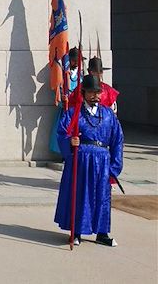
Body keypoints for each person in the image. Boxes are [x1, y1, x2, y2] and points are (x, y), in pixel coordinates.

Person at [54, 74, 124, 247]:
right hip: (81, 160)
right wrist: (70, 141)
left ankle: (102, 233)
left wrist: (114, 168)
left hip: (102, 161)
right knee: (80, 196)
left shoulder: (108, 115)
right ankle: (76, 231)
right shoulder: (74, 113)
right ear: (84, 93)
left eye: (98, 92)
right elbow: (62, 133)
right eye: (92, 92)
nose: (96, 96)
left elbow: (118, 140)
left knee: (102, 198)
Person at [49, 48, 80, 155]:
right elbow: (58, 89)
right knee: (64, 131)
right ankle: (63, 153)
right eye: (74, 60)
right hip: (66, 108)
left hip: (77, 109)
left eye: (78, 60)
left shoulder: (81, 76)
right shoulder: (63, 74)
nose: (76, 63)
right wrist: (63, 98)